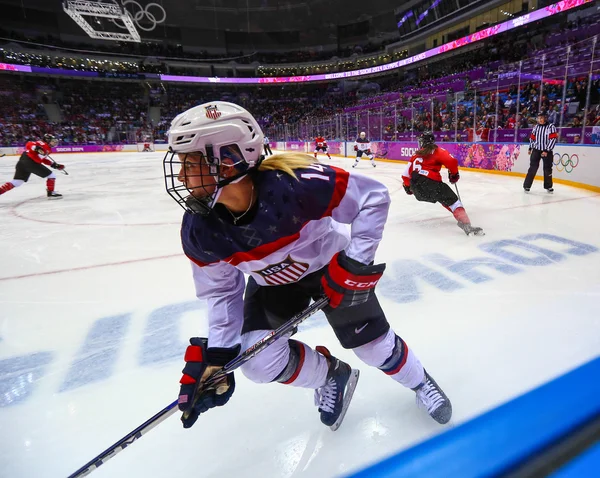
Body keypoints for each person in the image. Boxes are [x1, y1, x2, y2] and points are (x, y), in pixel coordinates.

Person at [164, 101, 452, 432]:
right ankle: (332, 375)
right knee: (257, 364)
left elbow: (373, 198)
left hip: (330, 267)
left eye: (191, 164)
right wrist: (218, 357)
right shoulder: (200, 229)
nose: (183, 176)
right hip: (273, 285)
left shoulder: (296, 184)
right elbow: (221, 291)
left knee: (373, 348)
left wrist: (354, 265)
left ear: (228, 161)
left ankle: (419, 382)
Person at [402, 131, 484, 236]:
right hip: (431, 184)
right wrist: (454, 174)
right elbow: (452, 161)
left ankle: (458, 215)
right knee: (454, 202)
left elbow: (405, 175)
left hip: (417, 190)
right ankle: (466, 224)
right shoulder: (437, 151)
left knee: (443, 198)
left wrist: (409, 187)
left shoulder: (415, 155)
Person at [0, 134, 65, 199]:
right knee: (51, 175)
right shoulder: (42, 144)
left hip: (22, 162)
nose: (55, 143)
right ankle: (51, 193)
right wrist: (36, 148)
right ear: (47, 140)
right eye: (53, 141)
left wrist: (54, 165)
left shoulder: (47, 148)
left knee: (17, 182)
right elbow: (29, 144)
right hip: (31, 163)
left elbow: (42, 159)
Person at [523, 111, 557, 193]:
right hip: (536, 150)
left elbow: (553, 139)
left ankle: (548, 186)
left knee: (547, 169)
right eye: (539, 118)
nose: (540, 119)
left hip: (547, 151)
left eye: (542, 118)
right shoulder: (536, 127)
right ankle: (526, 186)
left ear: (545, 118)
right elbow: (532, 138)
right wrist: (530, 147)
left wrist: (547, 150)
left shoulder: (551, 127)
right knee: (532, 168)